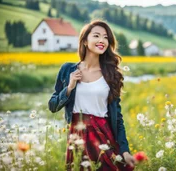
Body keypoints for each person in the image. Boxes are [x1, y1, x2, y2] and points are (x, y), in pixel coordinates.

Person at [48, 20, 136, 171]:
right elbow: (53, 106)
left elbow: (118, 118)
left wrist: (125, 150)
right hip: (77, 136)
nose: (102, 40)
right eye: (96, 36)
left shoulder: (111, 75)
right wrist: (69, 88)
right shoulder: (67, 70)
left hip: (103, 136)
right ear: (84, 41)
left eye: (106, 37)